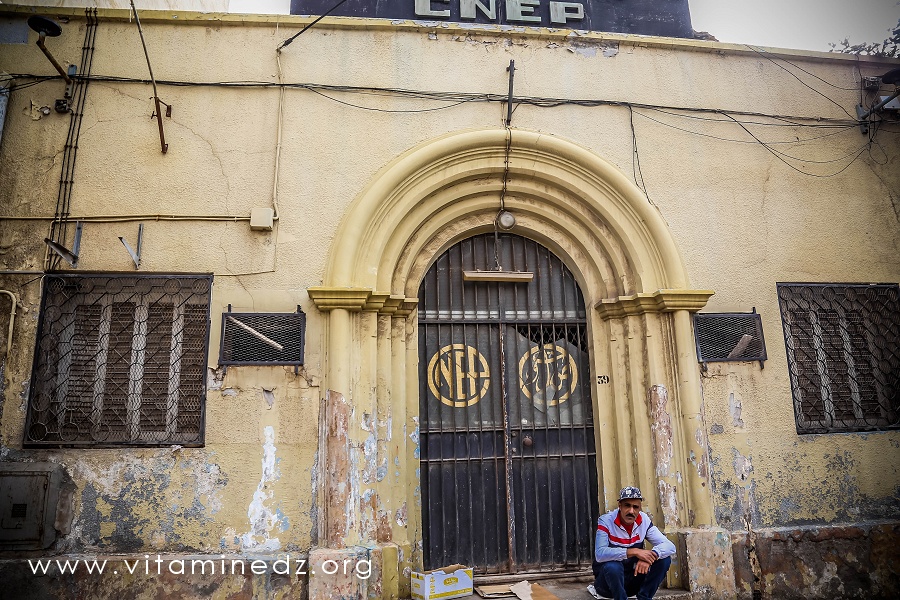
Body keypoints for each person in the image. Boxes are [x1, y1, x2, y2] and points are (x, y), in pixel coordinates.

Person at [587, 486, 675, 600]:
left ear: (640, 508)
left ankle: (644, 597)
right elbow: (600, 553)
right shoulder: (606, 521)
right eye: (627, 506)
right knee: (613, 566)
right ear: (620, 506)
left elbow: (670, 546)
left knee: (664, 560)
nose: (631, 511)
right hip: (608, 586)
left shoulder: (644, 520)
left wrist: (650, 556)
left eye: (635, 507)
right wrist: (634, 551)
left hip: (632, 582)